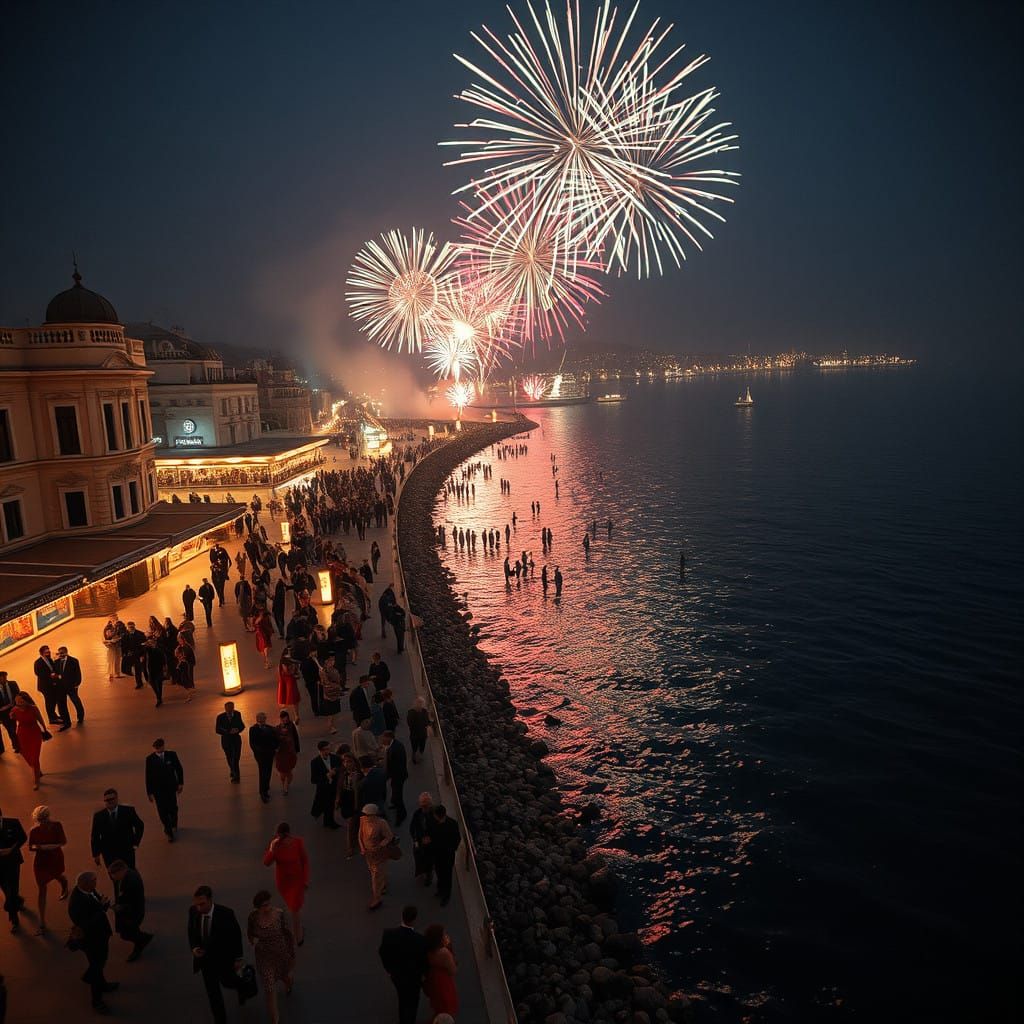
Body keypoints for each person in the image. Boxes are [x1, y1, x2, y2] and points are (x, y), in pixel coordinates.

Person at [188, 885, 247, 1024]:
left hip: (223, 960)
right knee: (213, 993)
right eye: (196, 904)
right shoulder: (193, 911)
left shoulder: (226, 914)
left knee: (229, 981)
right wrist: (195, 948)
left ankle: (241, 987)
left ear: (210, 900)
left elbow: (235, 936)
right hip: (205, 962)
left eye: (202, 904)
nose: (199, 908)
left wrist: (238, 958)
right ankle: (220, 1020)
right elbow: (191, 931)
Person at [68, 871, 117, 1013]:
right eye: (94, 881)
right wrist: (101, 908)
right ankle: (97, 1001)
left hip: (100, 935)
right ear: (86, 884)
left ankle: (102, 984)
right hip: (92, 940)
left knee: (100, 962)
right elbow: (85, 924)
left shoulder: (88, 890)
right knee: (97, 966)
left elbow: (96, 904)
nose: (96, 884)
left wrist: (103, 904)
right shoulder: (77, 903)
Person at [247, 890, 295, 1024]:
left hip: (281, 953)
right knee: (269, 988)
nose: (267, 908)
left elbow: (287, 933)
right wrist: (253, 941)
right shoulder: (253, 918)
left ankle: (288, 983)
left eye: (269, 904)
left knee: (284, 976)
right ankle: (275, 1018)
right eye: (264, 906)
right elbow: (250, 933)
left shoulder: (279, 914)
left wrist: (291, 953)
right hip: (264, 957)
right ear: (258, 907)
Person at [378, 904, 427, 1024]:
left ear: (402, 916)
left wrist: (389, 970)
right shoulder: (420, 940)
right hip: (413, 979)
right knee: (413, 1002)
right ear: (414, 920)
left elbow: (382, 952)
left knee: (402, 999)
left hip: (397, 977)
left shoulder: (388, 935)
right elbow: (423, 962)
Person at [262, 823, 309, 945]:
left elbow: (305, 861)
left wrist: (305, 879)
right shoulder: (276, 846)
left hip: (296, 881)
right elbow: (266, 862)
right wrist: (272, 848)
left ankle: (298, 934)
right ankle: (297, 931)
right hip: (284, 882)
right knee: (293, 907)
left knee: (294, 908)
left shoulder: (298, 843)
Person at [27, 804, 67, 935]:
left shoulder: (57, 826)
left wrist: (46, 847)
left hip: (54, 859)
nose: (43, 821)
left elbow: (63, 842)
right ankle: (42, 922)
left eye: (44, 818)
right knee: (42, 890)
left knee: (58, 875)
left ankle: (64, 883)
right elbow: (31, 847)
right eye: (40, 819)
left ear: (48, 816)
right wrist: (39, 848)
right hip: (41, 862)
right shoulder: (34, 831)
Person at [108, 859, 153, 962]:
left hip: (132, 914)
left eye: (113, 875)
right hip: (132, 911)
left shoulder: (130, 882)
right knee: (132, 930)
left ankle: (142, 940)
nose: (112, 877)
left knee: (126, 934)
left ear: (120, 871)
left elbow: (131, 901)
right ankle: (142, 939)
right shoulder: (128, 876)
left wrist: (119, 907)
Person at [90, 789, 145, 869]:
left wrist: (136, 843)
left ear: (116, 799)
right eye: (107, 800)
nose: (109, 801)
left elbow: (140, 825)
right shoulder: (98, 816)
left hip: (127, 850)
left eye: (111, 799)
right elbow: (95, 836)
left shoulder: (128, 811)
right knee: (114, 876)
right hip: (109, 853)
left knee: (129, 871)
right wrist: (96, 854)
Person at [145, 739, 184, 841]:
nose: (158, 749)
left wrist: (180, 783)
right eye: (156, 748)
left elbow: (179, 769)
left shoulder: (171, 755)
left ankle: (173, 823)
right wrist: (149, 792)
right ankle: (168, 830)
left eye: (160, 747)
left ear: (163, 746)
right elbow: (148, 776)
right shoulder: (150, 759)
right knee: (162, 810)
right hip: (158, 790)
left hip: (171, 788)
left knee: (173, 808)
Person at [358, 804, 394, 911]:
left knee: (376, 876)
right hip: (368, 854)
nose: (366, 817)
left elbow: (389, 836)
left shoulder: (381, 823)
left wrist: (380, 845)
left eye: (368, 815)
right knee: (374, 871)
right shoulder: (363, 820)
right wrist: (362, 848)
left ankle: (376, 898)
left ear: (374, 815)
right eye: (365, 814)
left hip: (379, 853)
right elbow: (360, 835)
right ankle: (384, 883)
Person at [427, 805, 461, 907]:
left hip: (447, 856)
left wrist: (451, 849)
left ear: (438, 815)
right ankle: (440, 890)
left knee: (447, 876)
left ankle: (446, 895)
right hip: (437, 854)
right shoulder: (434, 822)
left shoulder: (452, 824)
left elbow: (457, 839)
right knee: (439, 872)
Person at [423, 924, 459, 1018]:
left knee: (437, 1001)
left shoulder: (427, 949)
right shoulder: (444, 953)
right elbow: (453, 971)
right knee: (447, 1004)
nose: (445, 935)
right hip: (443, 981)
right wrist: (449, 947)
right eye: (443, 935)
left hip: (432, 978)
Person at [11, 692, 46, 789]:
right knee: (25, 754)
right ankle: (36, 769)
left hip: (34, 733)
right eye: (17, 701)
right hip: (22, 734)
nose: (19, 702)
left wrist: (44, 729)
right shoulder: (14, 710)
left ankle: (36, 781)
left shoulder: (33, 708)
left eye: (21, 700)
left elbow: (40, 719)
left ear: (26, 701)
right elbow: (12, 719)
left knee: (34, 756)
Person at [0, 809, 27, 934]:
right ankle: (18, 900)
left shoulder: (13, 823)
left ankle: (14, 919)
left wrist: (11, 849)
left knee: (12, 888)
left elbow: (23, 837)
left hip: (12, 862)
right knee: (6, 889)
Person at [249, 713, 280, 803]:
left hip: (270, 754)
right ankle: (263, 792)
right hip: (261, 756)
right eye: (261, 718)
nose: (263, 720)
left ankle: (266, 787)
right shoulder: (253, 729)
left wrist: (275, 748)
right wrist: (259, 752)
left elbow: (275, 739)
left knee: (268, 771)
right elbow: (253, 743)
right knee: (263, 772)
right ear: (257, 719)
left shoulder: (270, 728)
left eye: (264, 718)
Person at [310, 741, 341, 829]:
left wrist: (335, 772)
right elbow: (313, 780)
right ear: (320, 750)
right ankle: (329, 822)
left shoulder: (335, 758)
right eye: (325, 749)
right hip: (323, 788)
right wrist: (326, 776)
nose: (327, 751)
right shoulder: (315, 762)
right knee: (327, 805)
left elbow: (341, 768)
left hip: (334, 786)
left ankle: (328, 821)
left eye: (328, 749)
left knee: (331, 804)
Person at [381, 731, 408, 826]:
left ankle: (401, 814)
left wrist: (386, 776)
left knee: (398, 795)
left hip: (398, 776)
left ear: (389, 738)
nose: (382, 740)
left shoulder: (395, 749)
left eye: (383, 738)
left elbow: (393, 766)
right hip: (397, 775)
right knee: (395, 790)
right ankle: (395, 803)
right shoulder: (395, 745)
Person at [31, 644, 62, 725]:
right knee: (49, 702)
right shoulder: (38, 662)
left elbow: (53, 668)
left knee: (53, 700)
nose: (48, 654)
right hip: (45, 686)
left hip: (51, 685)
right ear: (41, 653)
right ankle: (52, 718)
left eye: (48, 652)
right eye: (46, 653)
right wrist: (50, 675)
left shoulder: (50, 659)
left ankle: (54, 715)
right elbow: (38, 673)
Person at [409, 792, 435, 887]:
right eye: (422, 806)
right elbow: (412, 827)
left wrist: (431, 838)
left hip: (431, 844)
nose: (424, 808)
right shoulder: (417, 813)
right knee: (419, 857)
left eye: (425, 806)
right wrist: (415, 838)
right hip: (420, 841)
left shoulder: (434, 815)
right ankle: (421, 872)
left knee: (429, 861)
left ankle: (428, 876)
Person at [274, 711, 300, 795]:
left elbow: (295, 737)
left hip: (290, 752)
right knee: (282, 772)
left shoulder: (291, 726)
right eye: (283, 719)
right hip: (281, 753)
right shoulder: (277, 728)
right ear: (281, 719)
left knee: (289, 771)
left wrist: (297, 749)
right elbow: (275, 740)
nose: (285, 721)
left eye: (286, 719)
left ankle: (287, 785)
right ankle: (284, 786)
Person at [318, 654, 343, 733]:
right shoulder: (324, 671)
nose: (333, 662)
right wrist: (337, 686)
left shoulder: (333, 669)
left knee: (334, 713)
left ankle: (332, 726)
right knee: (330, 714)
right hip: (329, 694)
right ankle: (330, 727)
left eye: (333, 660)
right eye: (331, 660)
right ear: (326, 661)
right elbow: (326, 682)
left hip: (335, 693)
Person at [276, 656, 301, 724]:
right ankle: (296, 715)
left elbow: (280, 673)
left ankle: (285, 715)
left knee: (284, 697)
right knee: (294, 699)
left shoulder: (281, 665)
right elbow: (294, 674)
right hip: (290, 682)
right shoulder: (291, 664)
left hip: (283, 681)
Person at [0, 671, 20, 754]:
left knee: (14, 727)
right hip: (3, 713)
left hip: (14, 709)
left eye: (4, 677)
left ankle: (17, 744)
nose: (3, 679)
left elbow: (18, 695)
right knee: (10, 729)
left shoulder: (13, 684)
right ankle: (16, 745)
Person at [407, 696, 430, 764]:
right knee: (418, 746)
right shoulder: (421, 712)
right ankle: (417, 757)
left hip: (417, 734)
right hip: (418, 733)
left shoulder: (412, 712)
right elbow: (426, 722)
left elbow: (409, 723)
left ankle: (416, 756)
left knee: (417, 746)